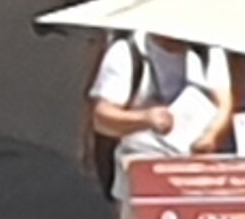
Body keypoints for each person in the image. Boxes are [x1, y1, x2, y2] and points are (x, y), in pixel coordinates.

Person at [84, 31, 226, 189]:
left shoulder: (209, 53)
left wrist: (212, 134)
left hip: (194, 173)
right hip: (143, 169)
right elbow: (101, 117)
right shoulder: (129, 51)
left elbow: (224, 102)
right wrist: (145, 119)